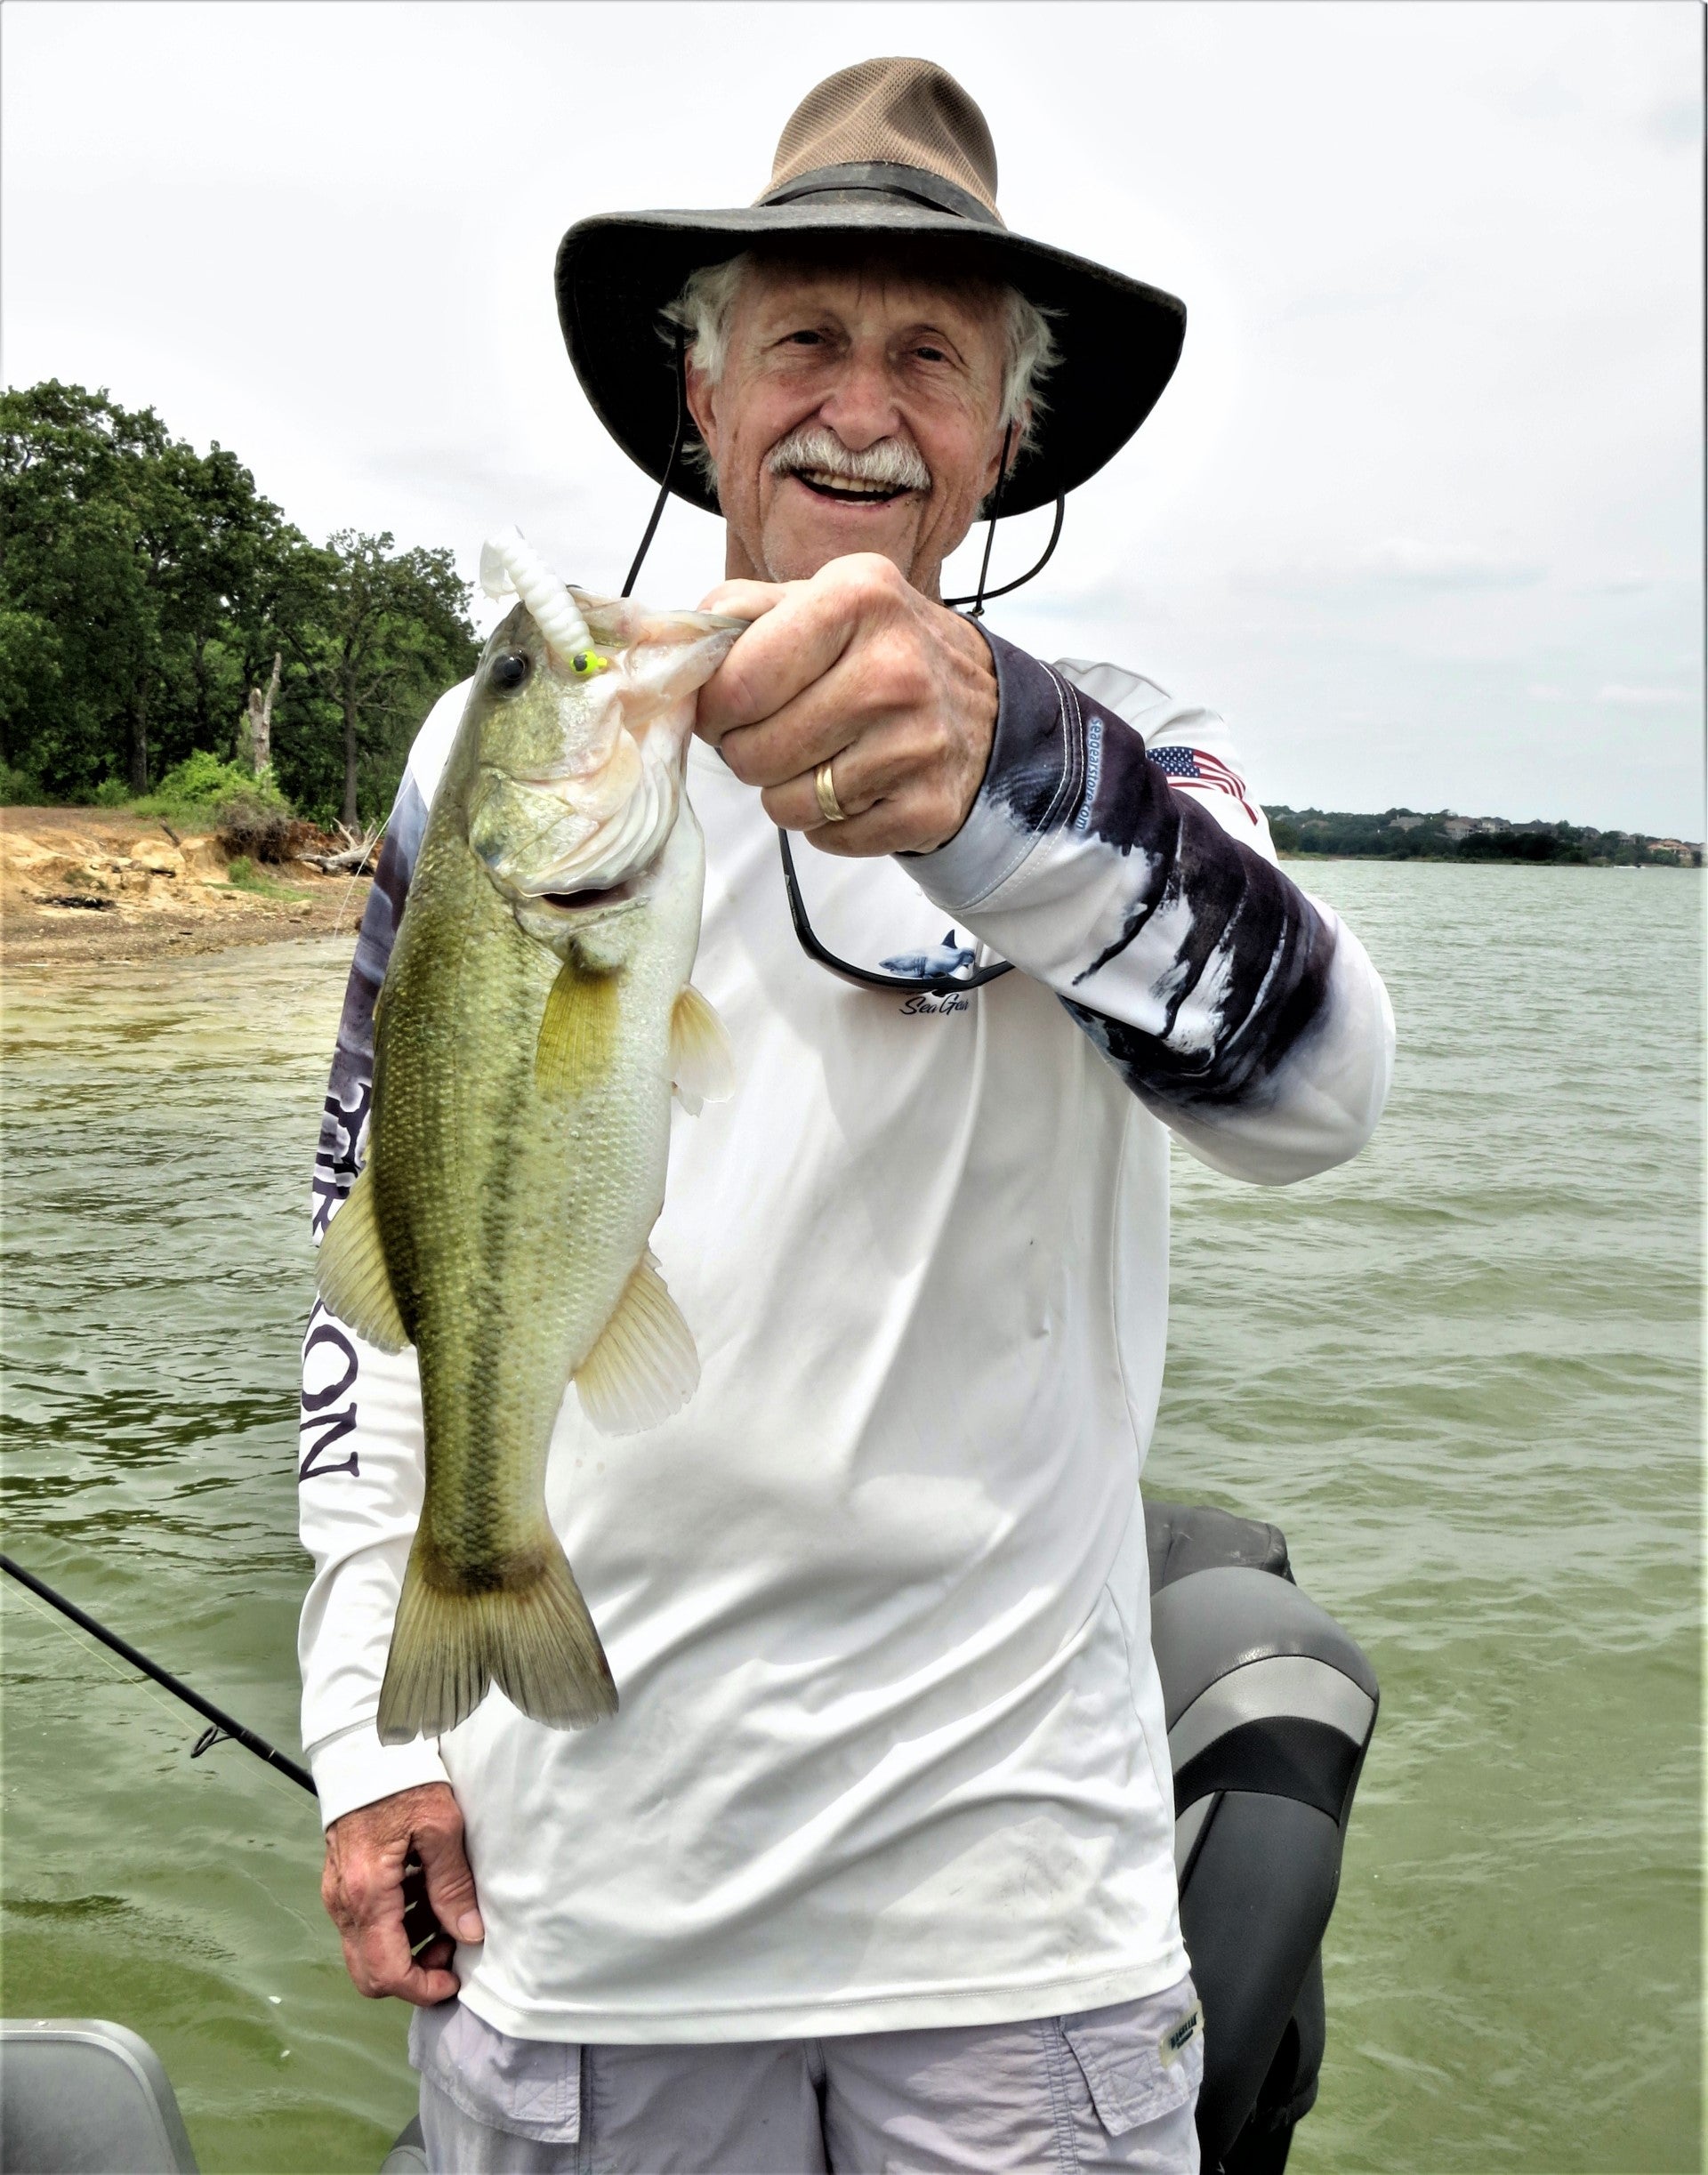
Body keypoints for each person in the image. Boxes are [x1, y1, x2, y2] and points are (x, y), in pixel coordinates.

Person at [297, 58, 1394, 2175]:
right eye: (801, 338)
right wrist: (366, 1726)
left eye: (930, 356)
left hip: (1017, 1956)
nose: (859, 405)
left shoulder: (1129, 756)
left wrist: (1009, 791)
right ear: (700, 400)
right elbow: (377, 1274)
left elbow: (1322, 1093)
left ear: (1003, 434)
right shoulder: (507, 743)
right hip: (585, 1935)